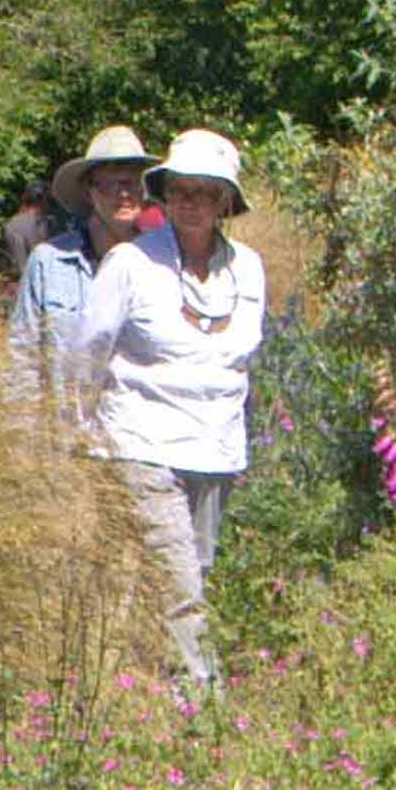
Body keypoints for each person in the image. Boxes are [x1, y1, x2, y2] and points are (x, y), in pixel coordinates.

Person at [66, 130, 264, 690]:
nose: (192, 201)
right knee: (180, 583)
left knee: (195, 575)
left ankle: (137, 681)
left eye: (205, 191)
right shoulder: (130, 263)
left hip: (217, 448)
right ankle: (204, 705)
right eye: (180, 189)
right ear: (165, 194)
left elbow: (243, 360)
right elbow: (87, 351)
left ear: (226, 200)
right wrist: (83, 430)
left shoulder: (248, 270)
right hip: (142, 444)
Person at [0, 126, 152, 409]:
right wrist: (24, 446)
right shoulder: (49, 262)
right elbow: (22, 361)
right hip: (67, 437)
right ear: (89, 191)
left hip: (138, 440)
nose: (124, 194)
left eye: (132, 183)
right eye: (110, 185)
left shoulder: (159, 264)